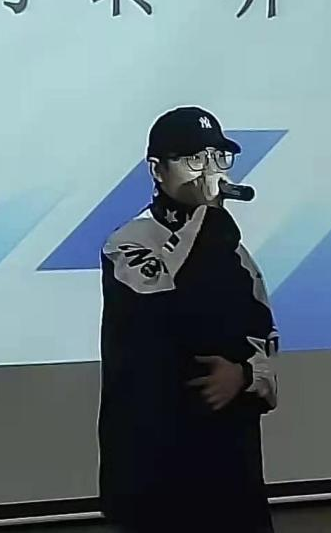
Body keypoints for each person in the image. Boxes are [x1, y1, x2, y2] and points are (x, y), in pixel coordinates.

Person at [98, 107, 280, 533]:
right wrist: (208, 215)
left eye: (218, 157)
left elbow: (264, 334)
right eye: (194, 159)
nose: (209, 171)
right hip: (156, 458)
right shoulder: (128, 242)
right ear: (157, 170)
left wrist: (244, 374)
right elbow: (168, 306)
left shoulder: (233, 250)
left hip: (229, 459)